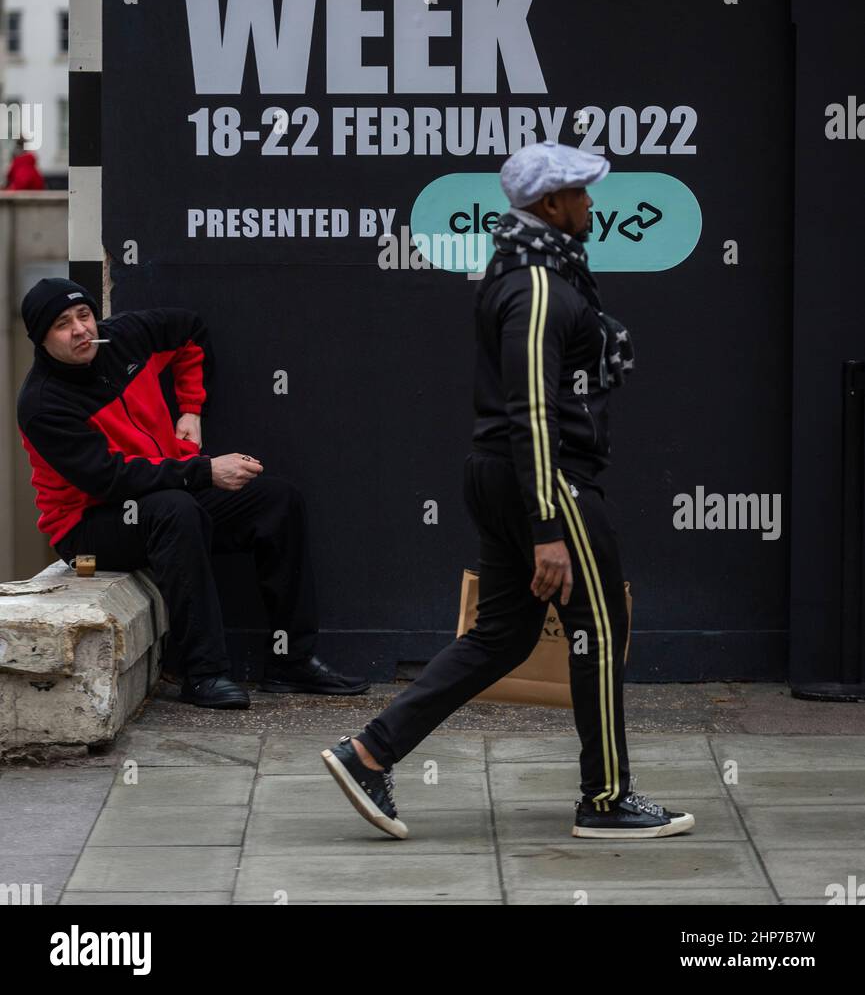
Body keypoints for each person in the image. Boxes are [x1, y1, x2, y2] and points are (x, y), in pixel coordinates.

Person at [321, 141, 695, 840]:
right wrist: (547, 526)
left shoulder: (529, 272)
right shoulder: (538, 285)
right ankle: (606, 799)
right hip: (545, 478)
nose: (591, 203)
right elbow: (531, 406)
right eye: (581, 193)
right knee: (600, 626)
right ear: (551, 205)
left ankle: (368, 752)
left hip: (506, 472)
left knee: (500, 635)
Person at [16, 277, 369, 708]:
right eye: (62, 324)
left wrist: (190, 408)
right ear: (41, 339)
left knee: (277, 501)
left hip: (163, 488)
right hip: (90, 525)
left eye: (84, 315)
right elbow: (109, 479)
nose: (81, 330)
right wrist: (202, 470)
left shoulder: (125, 337)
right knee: (175, 509)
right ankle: (202, 674)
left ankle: (289, 660)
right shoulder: (42, 404)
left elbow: (190, 331)